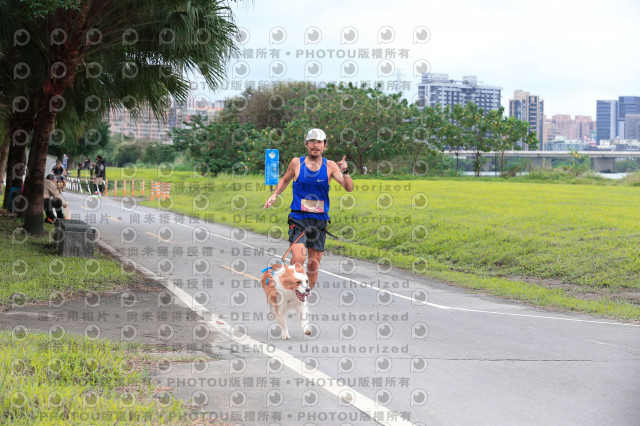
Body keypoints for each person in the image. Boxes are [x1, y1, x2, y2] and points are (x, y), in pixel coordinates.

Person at [263, 128, 354, 290]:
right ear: (306, 144)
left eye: (319, 142)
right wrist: (274, 194)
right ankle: (291, 286)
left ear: (324, 145)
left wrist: (345, 171)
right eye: (312, 142)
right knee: (299, 258)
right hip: (299, 218)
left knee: (313, 264)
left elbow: (348, 188)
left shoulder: (330, 166)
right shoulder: (296, 163)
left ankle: (304, 295)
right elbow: (285, 180)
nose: (315, 145)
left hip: (319, 220)